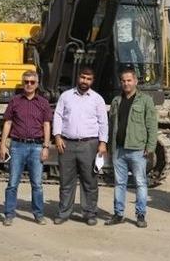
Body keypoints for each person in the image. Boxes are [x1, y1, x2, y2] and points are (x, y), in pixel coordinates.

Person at [52, 67, 108, 226]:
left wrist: (103, 143)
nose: (85, 81)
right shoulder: (66, 96)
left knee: (90, 181)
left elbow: (103, 122)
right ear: (78, 78)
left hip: (89, 145)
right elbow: (58, 115)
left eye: (88, 79)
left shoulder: (97, 99)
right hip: (67, 144)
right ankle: (63, 212)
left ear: (92, 81)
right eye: (83, 77)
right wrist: (57, 136)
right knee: (66, 181)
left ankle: (89, 213)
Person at [105, 68, 157, 228]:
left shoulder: (145, 100)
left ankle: (140, 215)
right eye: (123, 81)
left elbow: (152, 125)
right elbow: (111, 125)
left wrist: (150, 146)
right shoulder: (116, 101)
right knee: (119, 183)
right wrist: (109, 146)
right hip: (119, 149)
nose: (126, 83)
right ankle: (118, 214)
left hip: (137, 149)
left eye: (129, 80)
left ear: (135, 81)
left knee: (140, 183)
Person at [0, 70, 52, 226]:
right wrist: (3, 144)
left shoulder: (43, 103)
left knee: (37, 184)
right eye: (26, 82)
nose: (29, 84)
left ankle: (38, 214)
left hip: (36, 146)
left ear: (37, 84)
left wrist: (46, 146)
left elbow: (47, 125)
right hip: (17, 146)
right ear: (23, 83)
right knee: (13, 183)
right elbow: (8, 122)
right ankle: (9, 214)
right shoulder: (15, 101)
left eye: (32, 82)